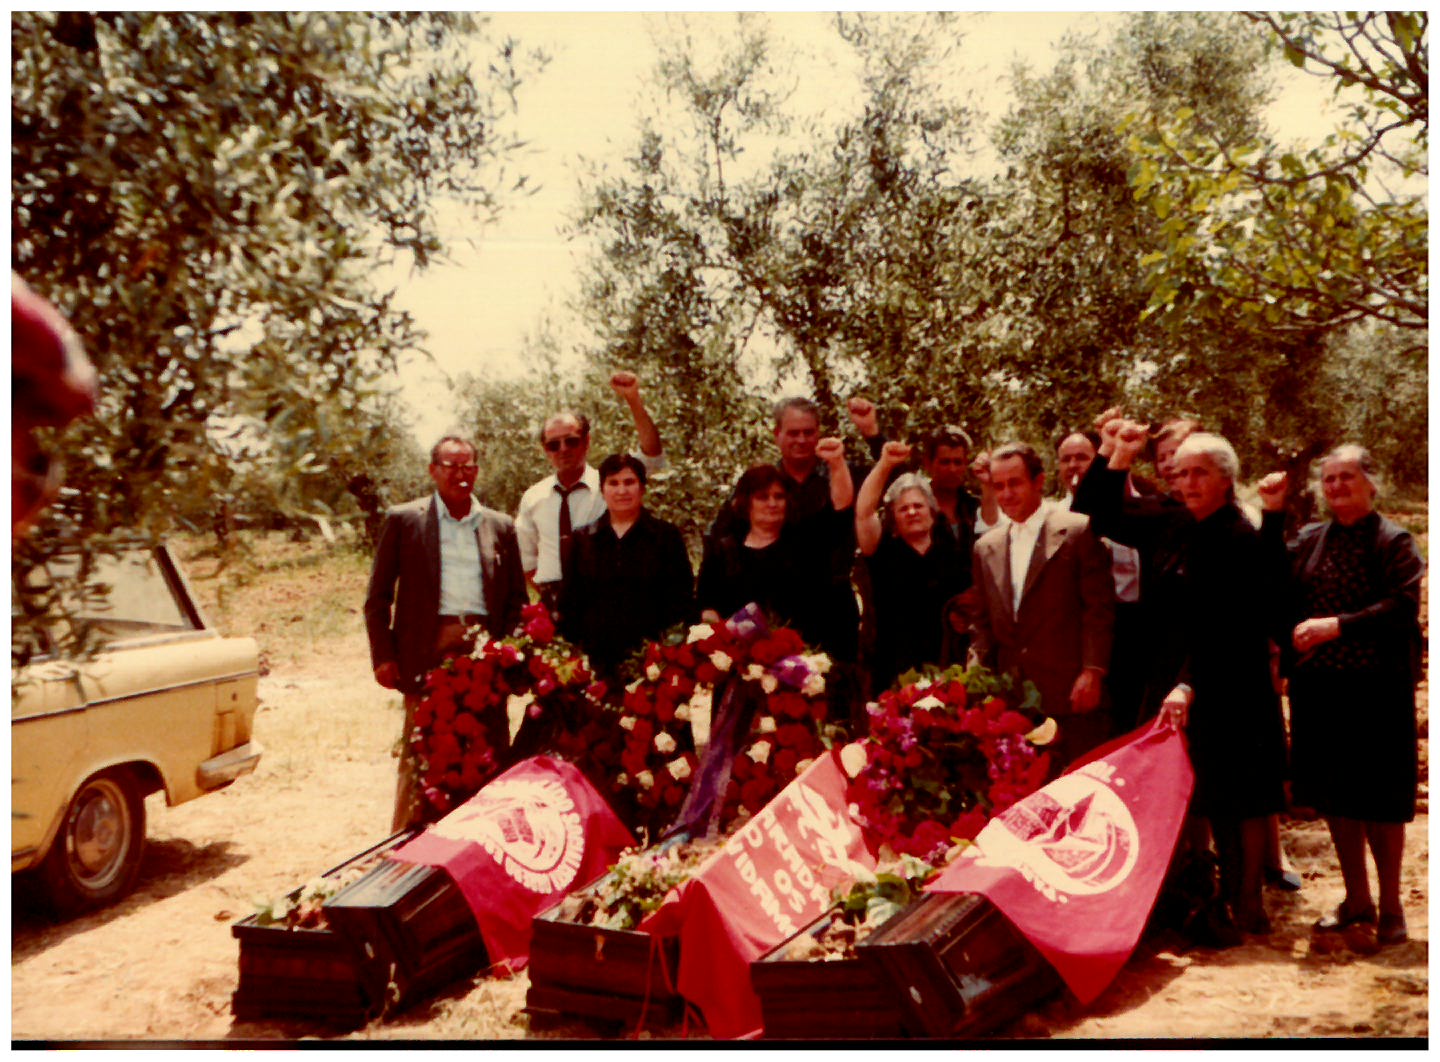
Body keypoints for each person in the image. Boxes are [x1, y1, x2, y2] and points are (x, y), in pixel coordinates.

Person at [1076, 418, 1288, 942]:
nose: (1187, 482)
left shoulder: (1240, 536)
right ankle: (1195, 898)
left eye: (1200, 473)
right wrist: (1117, 454)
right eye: (1181, 472)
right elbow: (1093, 510)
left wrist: (1190, 683)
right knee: (1188, 793)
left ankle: (1247, 904)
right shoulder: (1170, 521)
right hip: (1175, 681)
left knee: (1237, 797)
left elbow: (1234, 625)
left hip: (1230, 682)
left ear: (1226, 479)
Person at [1258, 446, 1423, 946]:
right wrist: (1272, 512)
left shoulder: (1394, 541)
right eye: (1328, 479)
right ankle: (1357, 900)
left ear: (1372, 482)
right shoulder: (1311, 539)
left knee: (1381, 802)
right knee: (1336, 798)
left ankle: (1391, 908)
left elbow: (1401, 607)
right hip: (1321, 692)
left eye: (1346, 477)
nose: (1336, 487)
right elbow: (1272, 581)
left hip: (1378, 692)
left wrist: (1337, 626)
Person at [365, 434, 527, 830]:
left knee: (488, 747)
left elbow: (516, 600)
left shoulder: (500, 526)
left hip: (484, 651)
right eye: (451, 466)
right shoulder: (405, 520)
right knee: (422, 753)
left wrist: (507, 652)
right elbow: (378, 596)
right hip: (426, 649)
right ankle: (408, 844)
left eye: (468, 466)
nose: (460, 474)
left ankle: (484, 842)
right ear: (433, 470)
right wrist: (384, 655)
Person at [967, 442, 1115, 769]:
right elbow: (982, 622)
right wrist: (975, 676)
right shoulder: (985, 547)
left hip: (1071, 694)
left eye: (1015, 483)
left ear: (1039, 481)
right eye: (999, 486)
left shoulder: (1077, 530)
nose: (1007, 494)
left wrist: (1093, 670)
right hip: (1013, 701)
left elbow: (1099, 608)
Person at [708, 397, 868, 664]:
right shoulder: (762, 483)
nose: (801, 440)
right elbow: (721, 540)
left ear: (818, 433)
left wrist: (870, 434)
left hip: (833, 609)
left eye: (808, 432)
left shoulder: (841, 472)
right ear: (777, 435)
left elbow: (889, 484)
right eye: (793, 433)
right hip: (772, 613)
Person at [516, 371, 667, 617]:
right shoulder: (533, 498)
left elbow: (652, 454)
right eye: (554, 445)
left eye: (571, 441)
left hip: (605, 598)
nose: (563, 449)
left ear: (586, 442)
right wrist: (555, 594)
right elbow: (526, 560)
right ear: (545, 450)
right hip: (552, 604)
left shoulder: (610, 487)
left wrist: (633, 399)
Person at [697, 441, 853, 650]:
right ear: (746, 503)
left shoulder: (807, 541)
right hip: (740, 658)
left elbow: (841, 508)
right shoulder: (723, 553)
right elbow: (707, 607)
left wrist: (836, 461)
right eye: (763, 497)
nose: (772, 503)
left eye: (779, 497)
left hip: (804, 657)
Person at [558, 453, 694, 679]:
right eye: (613, 483)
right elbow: (570, 606)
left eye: (629, 482)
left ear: (642, 488)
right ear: (602, 490)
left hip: (654, 665)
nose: (622, 491)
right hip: (596, 665)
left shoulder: (665, 538)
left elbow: (681, 602)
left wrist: (669, 653)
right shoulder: (583, 540)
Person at [855, 442, 971, 691]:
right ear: (893, 517)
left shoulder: (953, 553)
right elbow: (864, 513)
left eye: (918, 506)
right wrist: (885, 464)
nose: (911, 512)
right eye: (903, 508)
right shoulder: (881, 551)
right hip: (893, 670)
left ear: (932, 511)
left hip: (947, 669)